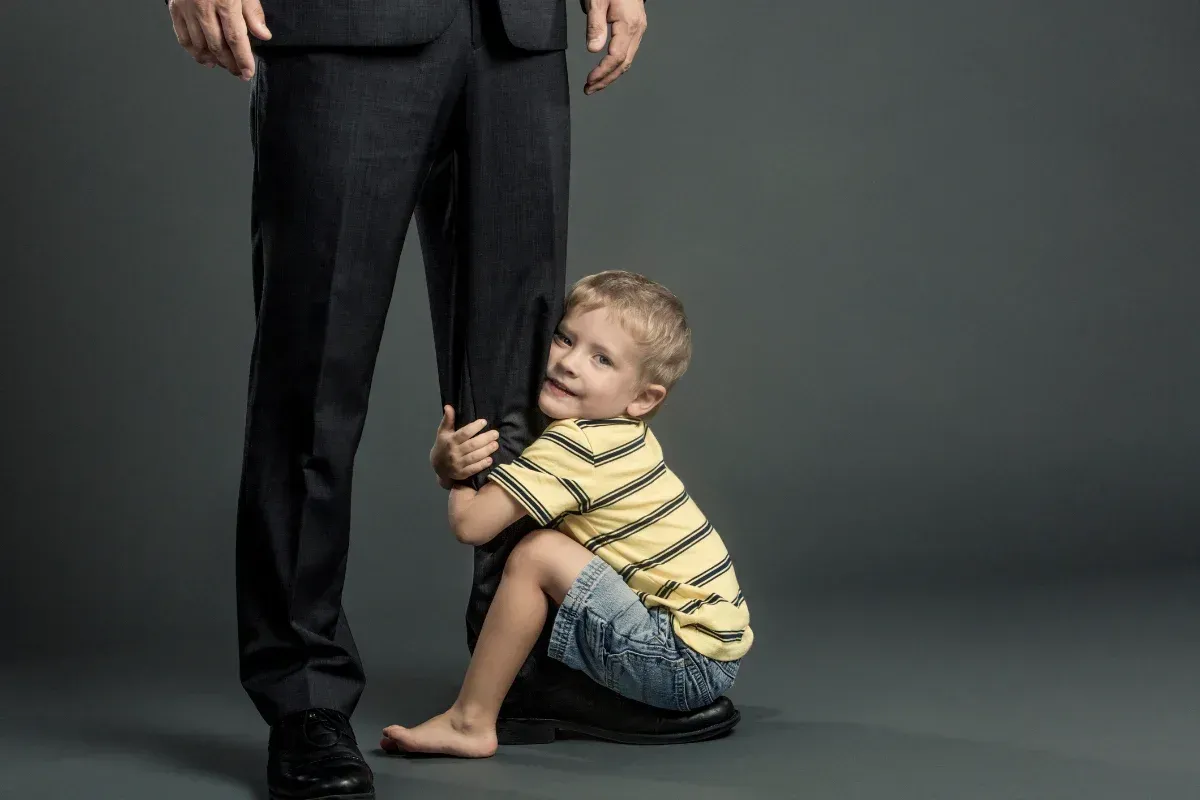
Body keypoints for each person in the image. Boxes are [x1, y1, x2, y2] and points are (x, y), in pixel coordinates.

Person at [164, 1, 739, 798]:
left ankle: (525, 672)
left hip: (514, 34)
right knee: (314, 374)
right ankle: (305, 694)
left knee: (527, 380)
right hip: (342, 32)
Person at [380, 270, 751, 757]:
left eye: (601, 359)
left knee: (538, 553)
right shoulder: (625, 437)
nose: (568, 363)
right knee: (553, 547)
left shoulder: (577, 445)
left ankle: (470, 722)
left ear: (642, 398)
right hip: (716, 654)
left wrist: (452, 470)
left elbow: (472, 526)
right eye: (565, 338)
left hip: (680, 662)